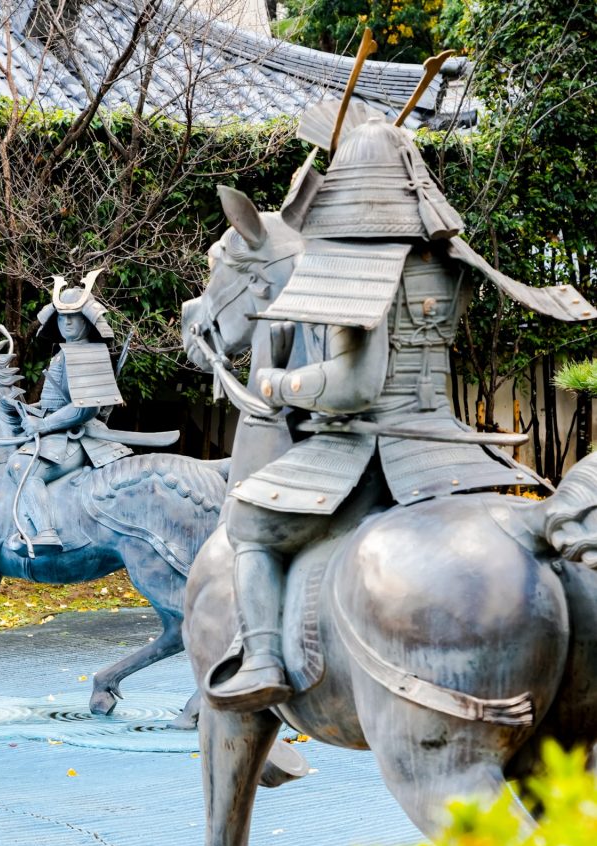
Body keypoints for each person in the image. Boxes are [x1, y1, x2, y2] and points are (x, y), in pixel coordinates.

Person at [206, 102, 596, 712]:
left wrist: (281, 384)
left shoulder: (349, 263)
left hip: (366, 450)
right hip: (448, 446)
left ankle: (260, 660)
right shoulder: (449, 259)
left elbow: (355, 385)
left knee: (249, 526)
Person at [7, 271, 128, 552]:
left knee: (22, 467)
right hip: (62, 431)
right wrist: (29, 409)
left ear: (87, 320)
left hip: (79, 437)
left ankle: (46, 533)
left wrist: (43, 425)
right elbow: (59, 401)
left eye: (74, 317)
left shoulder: (87, 353)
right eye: (62, 317)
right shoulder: (64, 352)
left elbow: (85, 409)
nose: (68, 322)